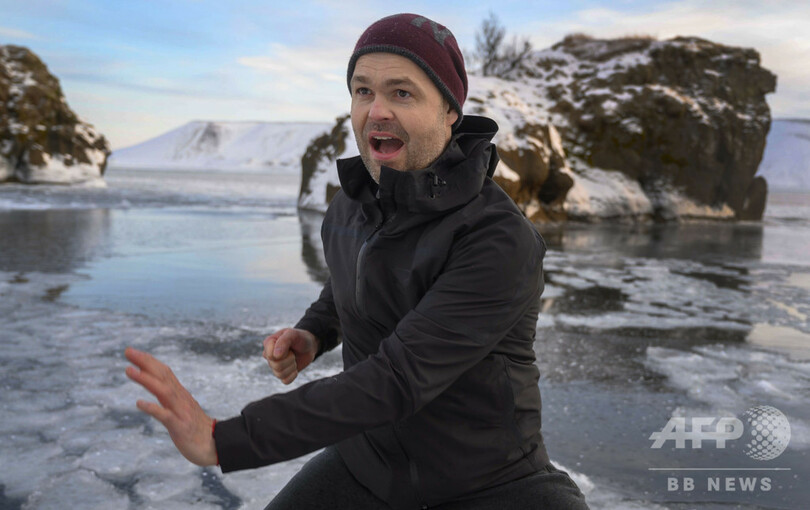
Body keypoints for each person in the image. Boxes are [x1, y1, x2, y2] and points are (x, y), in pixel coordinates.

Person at [125, 13, 590, 510]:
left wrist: (226, 441)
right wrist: (315, 332)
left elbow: (398, 379)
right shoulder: (350, 205)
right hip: (367, 463)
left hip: (487, 482)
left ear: (449, 112)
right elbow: (351, 278)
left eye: (402, 93)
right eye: (363, 91)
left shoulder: (498, 239)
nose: (377, 111)